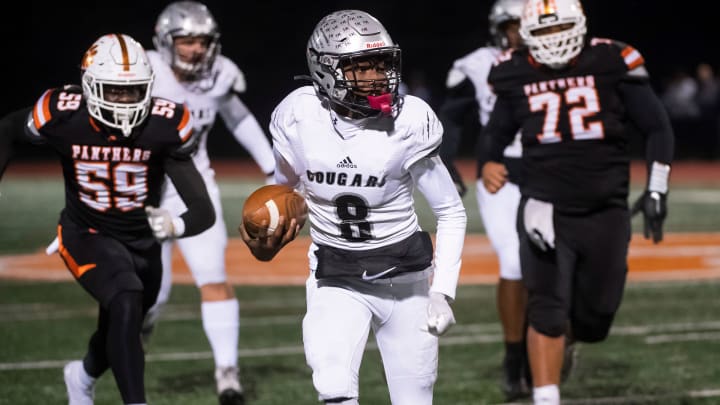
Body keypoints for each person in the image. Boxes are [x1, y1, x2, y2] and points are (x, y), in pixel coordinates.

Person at [239, 10, 467, 405]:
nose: (377, 77)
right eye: (361, 68)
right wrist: (269, 226)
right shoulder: (298, 115)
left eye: (381, 65)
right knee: (333, 386)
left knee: (414, 398)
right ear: (325, 71)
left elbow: (450, 211)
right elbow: (283, 190)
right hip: (335, 273)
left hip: (406, 280)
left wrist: (442, 292)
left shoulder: (409, 121)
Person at [0, 34, 215, 405]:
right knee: (126, 300)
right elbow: (7, 129)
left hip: (142, 241)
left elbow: (203, 210)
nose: (124, 101)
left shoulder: (164, 125)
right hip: (86, 231)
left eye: (133, 91)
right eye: (114, 90)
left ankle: (80, 376)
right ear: (89, 86)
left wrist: (175, 225)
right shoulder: (62, 113)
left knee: (120, 324)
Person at [479, 0, 675, 403]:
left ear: (580, 25)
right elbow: (495, 133)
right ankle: (545, 393)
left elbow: (657, 127)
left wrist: (656, 188)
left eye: (559, 28)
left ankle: (570, 338)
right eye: (544, 31)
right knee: (546, 309)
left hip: (605, 209)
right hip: (543, 206)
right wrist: (487, 163)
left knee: (596, 318)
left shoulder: (612, 59)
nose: (552, 39)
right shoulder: (513, 70)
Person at [141, 2, 276, 403]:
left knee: (214, 279)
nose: (196, 50)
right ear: (166, 42)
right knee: (153, 294)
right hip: (143, 194)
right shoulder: (142, 72)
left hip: (196, 193)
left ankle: (227, 373)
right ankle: (133, 345)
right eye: (186, 41)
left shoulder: (221, 75)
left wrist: (271, 167)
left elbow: (238, 117)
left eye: (202, 41)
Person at [437, 0, 531, 400]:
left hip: (556, 172)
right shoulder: (477, 63)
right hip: (501, 173)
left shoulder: (566, 60)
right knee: (513, 261)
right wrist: (447, 161)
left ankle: (560, 335)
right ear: (499, 28)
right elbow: (452, 115)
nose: (521, 33)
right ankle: (514, 358)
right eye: (514, 25)